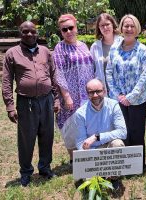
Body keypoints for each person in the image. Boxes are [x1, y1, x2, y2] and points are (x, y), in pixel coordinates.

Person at [2, 21, 60, 187]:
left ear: (37, 33)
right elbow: (7, 81)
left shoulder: (45, 51)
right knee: (26, 139)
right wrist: (10, 106)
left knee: (47, 135)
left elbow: (53, 76)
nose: (29, 34)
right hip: (26, 103)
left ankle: (45, 167)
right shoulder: (12, 53)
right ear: (20, 33)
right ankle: (26, 172)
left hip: (47, 100)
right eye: (25, 31)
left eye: (32, 31)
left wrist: (56, 99)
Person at [106, 14, 146, 166]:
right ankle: (124, 165)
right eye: (126, 26)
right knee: (122, 132)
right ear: (121, 28)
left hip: (138, 99)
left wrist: (130, 96)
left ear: (137, 28)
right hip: (118, 99)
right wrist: (118, 95)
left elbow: (144, 76)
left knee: (136, 132)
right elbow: (109, 72)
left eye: (132, 26)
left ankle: (137, 166)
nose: (129, 29)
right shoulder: (114, 49)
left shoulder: (143, 50)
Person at [53, 14, 94, 164]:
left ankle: (86, 155)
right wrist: (66, 95)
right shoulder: (59, 47)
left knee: (86, 124)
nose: (68, 31)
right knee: (70, 126)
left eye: (71, 28)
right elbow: (59, 72)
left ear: (76, 28)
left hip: (87, 93)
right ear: (61, 32)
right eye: (64, 29)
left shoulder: (83, 45)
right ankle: (73, 158)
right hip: (71, 94)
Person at [73, 78, 127, 189]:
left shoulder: (114, 105)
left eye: (98, 91)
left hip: (109, 147)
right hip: (92, 152)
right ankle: (96, 175)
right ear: (87, 94)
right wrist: (95, 162)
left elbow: (123, 132)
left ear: (104, 91)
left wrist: (97, 137)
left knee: (118, 143)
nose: (95, 95)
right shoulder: (80, 113)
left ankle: (114, 178)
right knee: (92, 186)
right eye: (91, 92)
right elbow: (80, 143)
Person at [90, 13, 123, 91]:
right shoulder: (95, 47)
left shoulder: (122, 43)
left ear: (113, 25)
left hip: (122, 91)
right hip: (103, 91)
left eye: (107, 24)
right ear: (99, 28)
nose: (105, 27)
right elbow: (91, 70)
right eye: (102, 25)